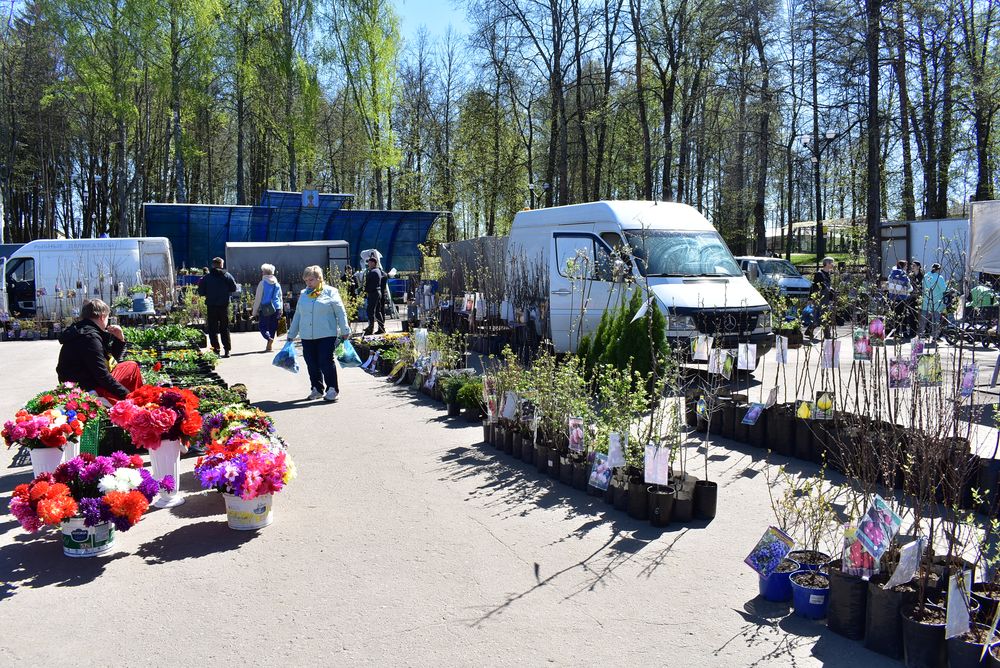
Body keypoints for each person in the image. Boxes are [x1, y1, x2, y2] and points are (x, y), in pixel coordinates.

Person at [56, 299, 143, 403]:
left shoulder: (81, 329)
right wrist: (129, 395)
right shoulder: (90, 337)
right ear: (102, 317)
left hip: (81, 380)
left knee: (130, 365)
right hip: (85, 387)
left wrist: (119, 339)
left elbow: (109, 360)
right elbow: (102, 376)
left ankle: (127, 402)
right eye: (107, 318)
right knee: (132, 368)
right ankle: (134, 403)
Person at [285, 265, 350, 402]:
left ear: (320, 279)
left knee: (325, 361)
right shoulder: (304, 294)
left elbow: (340, 311)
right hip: (307, 335)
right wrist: (291, 333)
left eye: (311, 280)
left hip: (326, 333)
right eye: (306, 280)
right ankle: (316, 389)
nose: (309, 283)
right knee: (311, 362)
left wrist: (345, 330)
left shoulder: (331, 292)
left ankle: (332, 389)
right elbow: (298, 315)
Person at [198, 257, 238, 357]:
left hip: (211, 305)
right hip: (224, 305)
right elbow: (233, 288)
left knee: (212, 329)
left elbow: (201, 292)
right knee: (225, 328)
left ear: (213, 265)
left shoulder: (206, 277)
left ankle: (216, 350)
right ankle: (227, 350)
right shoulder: (227, 275)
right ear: (221, 265)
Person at [252, 263, 283, 353]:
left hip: (266, 308)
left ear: (264, 273)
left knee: (263, 326)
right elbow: (280, 297)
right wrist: (281, 309)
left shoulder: (262, 283)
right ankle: (269, 346)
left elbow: (258, 298)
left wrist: (254, 312)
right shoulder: (277, 284)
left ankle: (268, 338)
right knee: (273, 327)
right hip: (276, 308)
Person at [810, 257, 836, 339]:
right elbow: (814, 287)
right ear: (827, 263)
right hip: (820, 298)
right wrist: (810, 299)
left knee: (818, 317)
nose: (833, 265)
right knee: (823, 316)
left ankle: (809, 331)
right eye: (832, 263)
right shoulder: (819, 274)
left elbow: (828, 286)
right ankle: (827, 335)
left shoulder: (828, 274)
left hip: (827, 298)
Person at [886, 260, 912, 338]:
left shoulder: (891, 275)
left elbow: (889, 286)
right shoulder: (903, 276)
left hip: (892, 298)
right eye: (906, 266)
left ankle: (896, 332)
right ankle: (904, 333)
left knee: (895, 316)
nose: (907, 267)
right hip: (902, 298)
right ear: (903, 266)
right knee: (903, 317)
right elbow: (909, 288)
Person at [921, 262, 946, 341]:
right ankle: (935, 336)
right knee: (935, 320)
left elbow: (923, 287)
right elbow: (943, 289)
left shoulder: (925, 276)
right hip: (936, 301)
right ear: (938, 270)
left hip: (926, 301)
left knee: (923, 319)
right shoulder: (939, 277)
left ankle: (921, 335)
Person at [363, 255, 386, 335]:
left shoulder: (372, 272)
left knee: (370, 311)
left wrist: (364, 290)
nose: (368, 264)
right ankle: (381, 328)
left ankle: (370, 329)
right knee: (377, 311)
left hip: (373, 293)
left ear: (373, 263)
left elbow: (369, 285)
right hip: (378, 292)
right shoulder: (378, 271)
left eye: (369, 263)